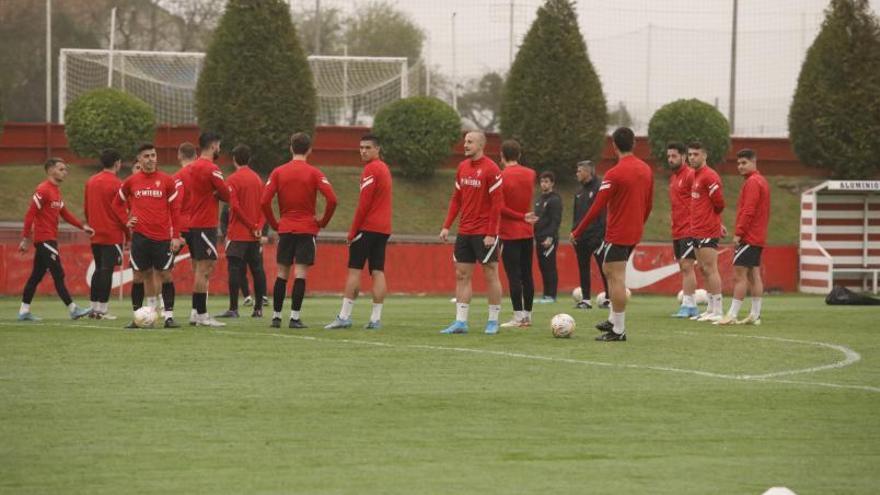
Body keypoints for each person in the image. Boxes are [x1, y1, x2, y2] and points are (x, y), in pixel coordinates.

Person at [571, 127, 653, 342]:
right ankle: (613, 319)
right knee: (609, 270)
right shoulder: (646, 170)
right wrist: (639, 224)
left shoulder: (614, 173)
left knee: (616, 279)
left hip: (619, 232)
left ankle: (618, 329)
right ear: (634, 143)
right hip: (634, 231)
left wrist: (577, 231)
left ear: (614, 146)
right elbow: (649, 203)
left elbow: (597, 206)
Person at [262, 132, 337, 329]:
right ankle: (294, 318)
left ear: (290, 148)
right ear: (309, 150)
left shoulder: (278, 172)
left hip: (286, 228)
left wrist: (275, 224)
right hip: (306, 228)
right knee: (300, 273)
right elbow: (332, 199)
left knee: (281, 274)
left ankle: (276, 317)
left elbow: (264, 201)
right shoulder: (315, 173)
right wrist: (322, 222)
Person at [438, 131, 504, 335]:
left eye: (470, 142)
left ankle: (493, 321)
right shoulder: (462, 167)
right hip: (464, 231)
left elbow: (497, 204)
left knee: (490, 274)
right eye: (465, 141)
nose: (465, 145)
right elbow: (456, 199)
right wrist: (447, 225)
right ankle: (461, 322)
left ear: (481, 145)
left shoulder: (491, 169)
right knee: (461, 275)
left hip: (485, 232)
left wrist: (491, 233)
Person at [325, 134, 392, 330]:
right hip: (383, 228)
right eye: (361, 147)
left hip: (368, 227)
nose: (363, 151)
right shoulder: (385, 168)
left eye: (368, 148)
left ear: (378, 149)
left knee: (355, 270)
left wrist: (352, 232)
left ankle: (344, 316)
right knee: (378, 271)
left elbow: (364, 204)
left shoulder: (371, 169)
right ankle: (375, 319)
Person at [114, 143, 183, 328]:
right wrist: (126, 221)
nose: (151, 159)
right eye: (146, 156)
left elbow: (176, 211)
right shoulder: (131, 181)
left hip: (162, 237)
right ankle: (137, 318)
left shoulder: (167, 181)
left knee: (166, 275)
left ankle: (168, 317)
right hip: (140, 238)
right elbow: (117, 203)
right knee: (138, 277)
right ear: (139, 159)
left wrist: (175, 236)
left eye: (153, 155)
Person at [18, 158, 95, 321]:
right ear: (51, 170)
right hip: (45, 239)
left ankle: (24, 311)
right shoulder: (43, 189)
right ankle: (73, 309)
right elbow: (30, 214)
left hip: (49, 239)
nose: (65, 172)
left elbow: (65, 214)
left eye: (65, 169)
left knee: (36, 276)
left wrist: (83, 227)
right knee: (58, 274)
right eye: (61, 169)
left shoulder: (56, 191)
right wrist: (26, 238)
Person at [716, 149, 769, 325]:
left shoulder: (753, 182)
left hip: (749, 236)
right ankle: (755, 315)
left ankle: (732, 314)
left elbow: (748, 211)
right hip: (758, 236)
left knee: (739, 276)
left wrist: (739, 233)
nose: (740, 166)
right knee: (754, 275)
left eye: (744, 163)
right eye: (738, 163)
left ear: (754, 162)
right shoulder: (761, 181)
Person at [217, 144, 267, 319]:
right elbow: (264, 206)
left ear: (234, 159)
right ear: (249, 159)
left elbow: (235, 207)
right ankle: (259, 308)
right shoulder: (258, 180)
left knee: (234, 269)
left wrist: (251, 226)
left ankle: (233, 308)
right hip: (254, 236)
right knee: (257, 270)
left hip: (238, 233)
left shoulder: (232, 180)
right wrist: (258, 227)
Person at [186, 132, 231, 326]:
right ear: (213, 146)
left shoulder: (191, 167)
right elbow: (227, 194)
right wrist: (216, 193)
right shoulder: (212, 169)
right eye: (218, 146)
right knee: (204, 270)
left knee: (199, 267)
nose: (219, 149)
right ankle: (202, 315)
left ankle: (196, 313)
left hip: (193, 222)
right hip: (205, 224)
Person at [84, 149, 129, 320]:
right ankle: (102, 309)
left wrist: (92, 224)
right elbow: (122, 212)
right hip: (112, 234)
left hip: (96, 233)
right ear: (117, 163)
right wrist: (128, 234)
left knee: (98, 269)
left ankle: (93, 307)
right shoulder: (118, 184)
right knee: (106, 271)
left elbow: (87, 208)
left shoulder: (91, 181)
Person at [497, 139, 538, 328]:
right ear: (519, 155)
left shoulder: (501, 176)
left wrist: (520, 216)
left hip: (510, 232)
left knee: (514, 275)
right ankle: (528, 315)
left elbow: (501, 208)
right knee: (527, 274)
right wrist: (525, 217)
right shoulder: (530, 174)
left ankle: (518, 316)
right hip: (527, 232)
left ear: (502, 156)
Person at [688, 141, 726, 322]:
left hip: (707, 230)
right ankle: (710, 308)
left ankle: (718, 310)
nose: (692, 157)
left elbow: (719, 203)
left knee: (711, 269)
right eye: (690, 154)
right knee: (703, 269)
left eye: (696, 154)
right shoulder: (695, 176)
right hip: (696, 229)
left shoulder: (709, 176)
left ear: (704, 155)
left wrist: (715, 222)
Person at [667, 142, 699, 318]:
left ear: (683, 157)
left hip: (689, 228)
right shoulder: (674, 179)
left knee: (688, 266)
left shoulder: (690, 175)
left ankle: (689, 305)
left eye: (674, 156)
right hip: (677, 229)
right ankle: (691, 304)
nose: (671, 160)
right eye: (669, 156)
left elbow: (701, 200)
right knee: (683, 266)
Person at [572, 160, 608, 309]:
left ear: (588, 172)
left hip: (597, 237)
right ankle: (586, 299)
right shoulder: (579, 192)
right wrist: (574, 231)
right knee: (583, 267)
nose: (577, 174)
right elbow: (576, 215)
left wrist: (600, 235)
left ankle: (609, 298)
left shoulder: (600, 188)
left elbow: (603, 213)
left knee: (604, 268)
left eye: (580, 171)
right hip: (581, 237)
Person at [534, 171, 562, 304]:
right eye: (542, 181)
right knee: (543, 266)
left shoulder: (555, 199)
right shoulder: (539, 200)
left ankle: (552, 295)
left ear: (552, 183)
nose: (543, 184)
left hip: (548, 239)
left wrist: (550, 237)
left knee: (550, 266)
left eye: (546, 181)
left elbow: (556, 221)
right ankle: (546, 295)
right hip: (539, 238)